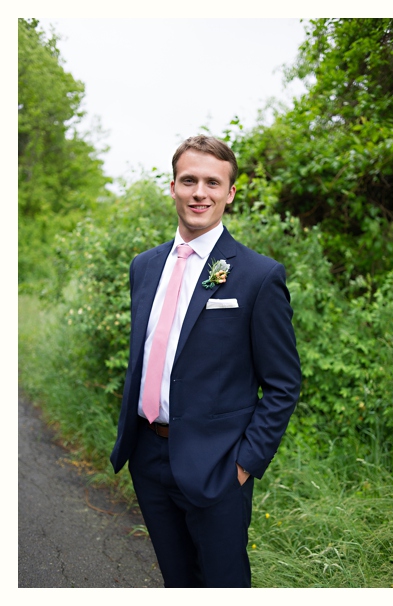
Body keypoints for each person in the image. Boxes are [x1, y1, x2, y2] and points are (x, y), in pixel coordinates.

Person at [110, 135, 302, 587]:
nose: (200, 192)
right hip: (148, 456)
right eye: (189, 180)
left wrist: (244, 463)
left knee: (223, 584)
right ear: (173, 186)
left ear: (230, 193)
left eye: (213, 182)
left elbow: (283, 383)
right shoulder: (144, 266)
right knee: (177, 582)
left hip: (218, 464)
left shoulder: (258, 276)